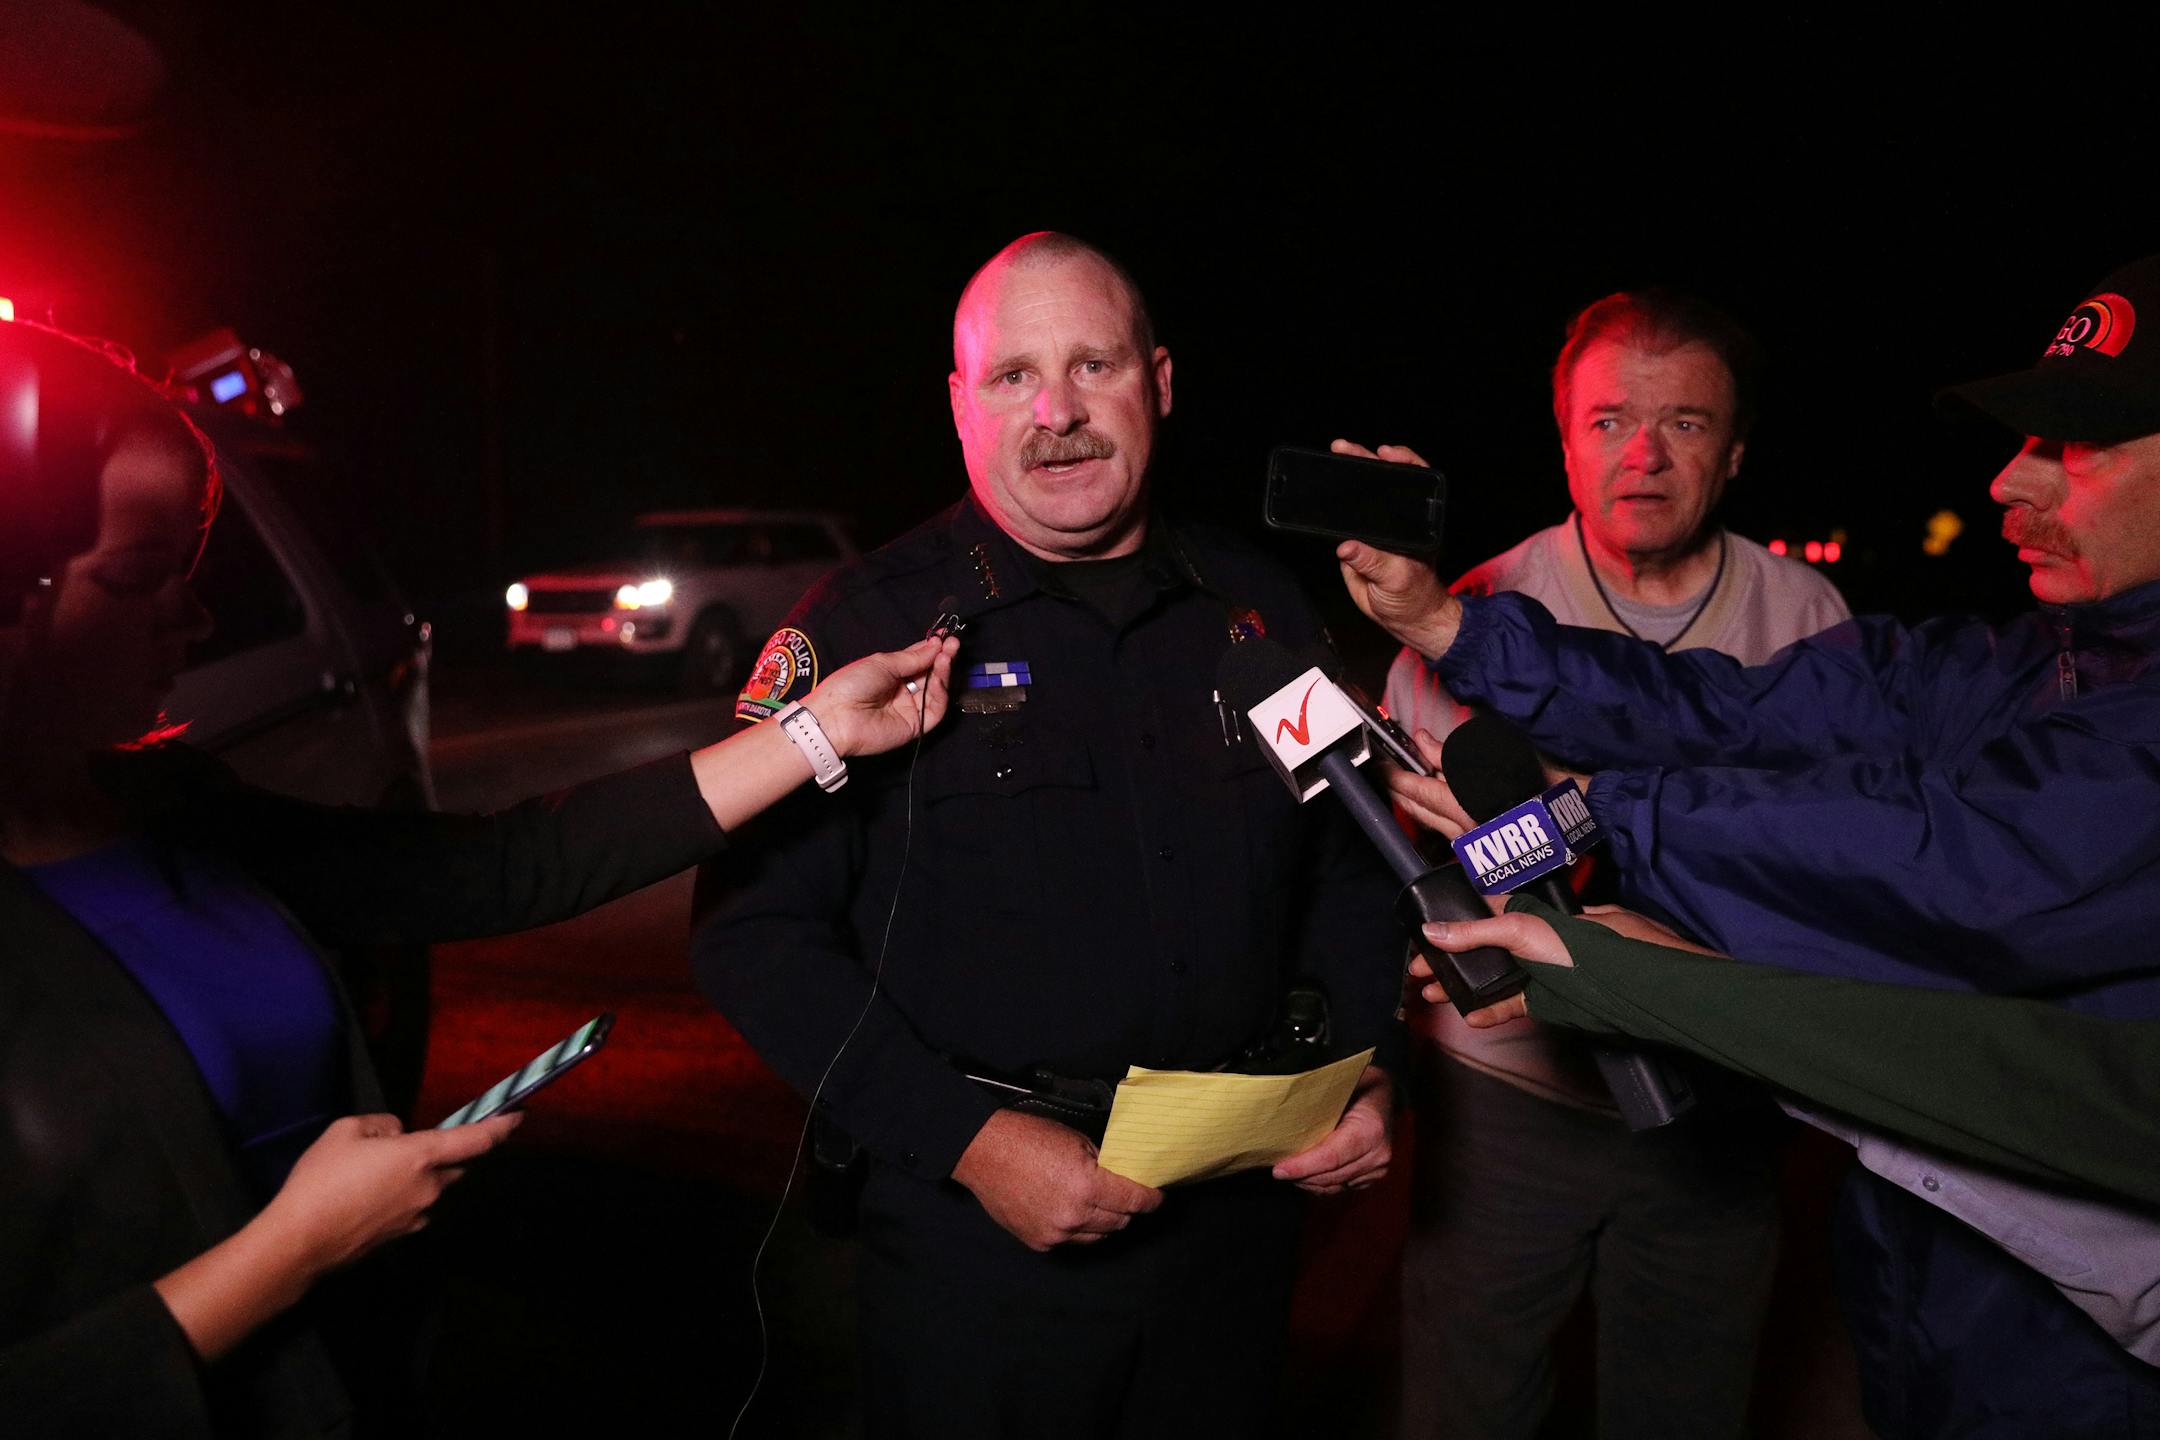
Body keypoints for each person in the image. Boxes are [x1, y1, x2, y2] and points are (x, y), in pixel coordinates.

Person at [0, 318, 958, 1437]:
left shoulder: (170, 804)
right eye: (139, 576)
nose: (199, 615)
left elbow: (503, 866)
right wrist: (290, 1252)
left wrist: (812, 733)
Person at [1339, 255, 2160, 1437]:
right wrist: (1446, 624)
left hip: (2076, 1320)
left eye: (2075, 450)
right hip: (1922, 1241)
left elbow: (1961, 867)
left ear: (1735, 451)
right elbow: (1730, 714)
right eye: (1612, 420)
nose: (2007, 482)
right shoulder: (2030, 657)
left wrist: (1594, 820)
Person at [691, 231, 1403, 1438]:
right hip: (981, 1249)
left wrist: (1360, 1062)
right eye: (1014, 376)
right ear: (960, 406)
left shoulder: (1262, 612)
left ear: (1161, 383)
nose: (1058, 413)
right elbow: (751, 936)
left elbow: (1357, 863)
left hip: (1234, 1230)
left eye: (1095, 366)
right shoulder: (865, 629)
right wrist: (964, 1142)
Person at [1343, 289, 1849, 1440]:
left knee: (1688, 1406)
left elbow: (1837, 865)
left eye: (1686, 423)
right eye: (1612, 420)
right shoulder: (1464, 608)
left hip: (1720, 1097)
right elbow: (1390, 864)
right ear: (1566, 438)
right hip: (1506, 1096)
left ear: (1734, 453)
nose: (1647, 455)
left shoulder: (1808, 619)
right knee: (1465, 1405)